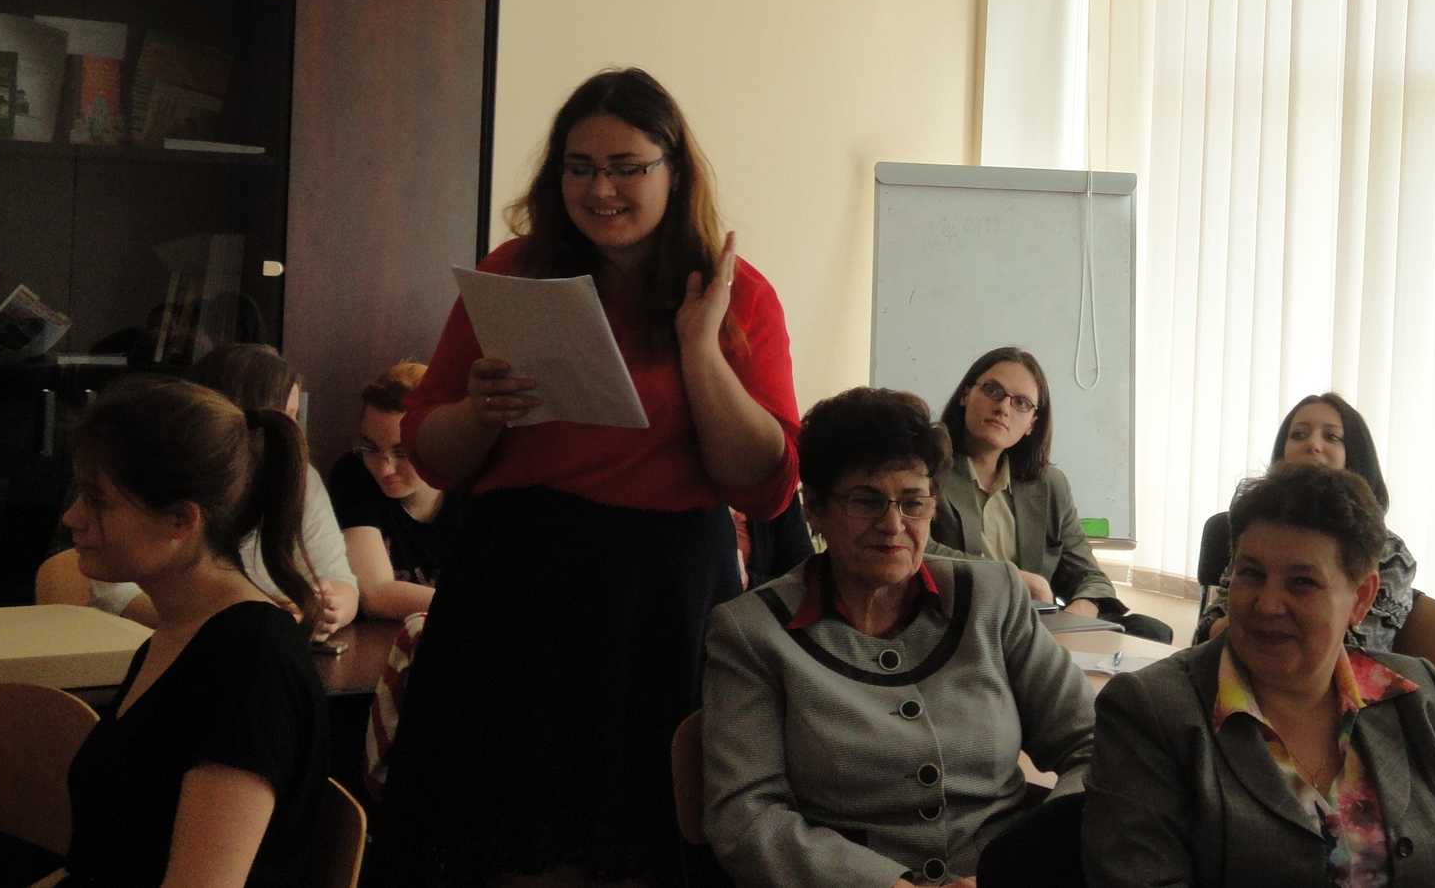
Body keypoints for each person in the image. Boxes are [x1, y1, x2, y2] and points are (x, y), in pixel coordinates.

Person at [380, 67, 800, 888]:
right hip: (516, 577)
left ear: (674, 171)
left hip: (663, 588)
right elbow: (432, 451)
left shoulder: (734, 291)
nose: (600, 189)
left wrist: (700, 348)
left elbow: (764, 482)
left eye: (626, 166)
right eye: (580, 167)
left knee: (647, 840)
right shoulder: (515, 270)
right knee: (497, 837)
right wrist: (482, 410)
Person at [1084, 462, 1435, 888]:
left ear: (1360, 598)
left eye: (1302, 583)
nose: (1267, 604)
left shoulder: (1413, 695)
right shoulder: (1151, 711)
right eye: (1251, 573)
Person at [703, 386, 1096, 888]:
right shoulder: (752, 631)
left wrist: (1027, 866)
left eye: (913, 502)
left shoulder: (992, 597)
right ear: (814, 509)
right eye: (866, 501)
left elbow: (1094, 746)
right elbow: (745, 812)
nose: (893, 525)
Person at [57, 376, 328, 888]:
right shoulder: (177, 632)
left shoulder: (252, 663)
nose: (72, 517)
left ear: (181, 520)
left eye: (97, 500)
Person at [46, 344, 359, 636]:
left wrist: (327, 606)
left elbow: (339, 579)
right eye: (284, 415)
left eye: (292, 416)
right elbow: (116, 595)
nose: (71, 518)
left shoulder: (299, 479)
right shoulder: (154, 475)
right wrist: (242, 620)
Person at [929, 346, 1173, 643]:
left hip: (1034, 629)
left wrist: (1079, 612)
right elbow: (922, 553)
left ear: (1032, 423)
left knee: (1151, 631)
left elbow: (1089, 576)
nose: (1003, 408)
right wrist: (1011, 578)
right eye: (993, 391)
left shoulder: (1048, 485)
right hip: (962, 623)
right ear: (966, 395)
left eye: (1021, 403)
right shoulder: (928, 471)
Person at [1192, 393, 1416, 648]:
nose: (1313, 445)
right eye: (1299, 435)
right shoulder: (1257, 532)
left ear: (1355, 454)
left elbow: (1358, 650)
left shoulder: (1391, 554)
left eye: (1331, 437)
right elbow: (1206, 630)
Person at [328, 360, 462, 619]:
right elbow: (375, 594)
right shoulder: (354, 473)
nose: (385, 469)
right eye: (370, 448)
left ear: (441, 443)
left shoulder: (477, 484)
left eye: (402, 452)